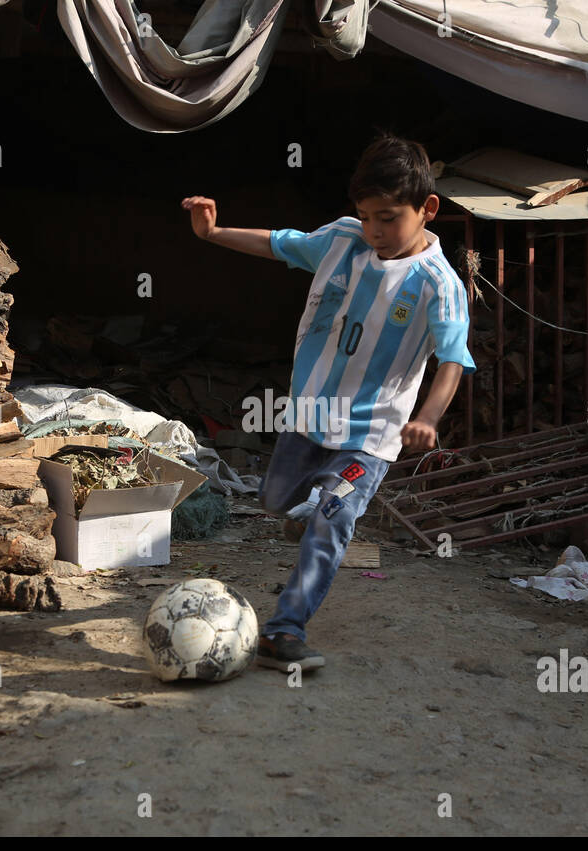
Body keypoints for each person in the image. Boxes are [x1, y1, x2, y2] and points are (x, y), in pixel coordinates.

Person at [180, 132, 475, 672]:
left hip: (373, 432)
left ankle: (284, 629)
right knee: (275, 501)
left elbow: (453, 359)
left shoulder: (440, 284)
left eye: (388, 217)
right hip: (308, 415)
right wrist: (212, 232)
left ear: (427, 208)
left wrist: (428, 417)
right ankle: (306, 509)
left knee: (333, 516)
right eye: (365, 215)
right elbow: (277, 243)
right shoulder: (342, 239)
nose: (375, 231)